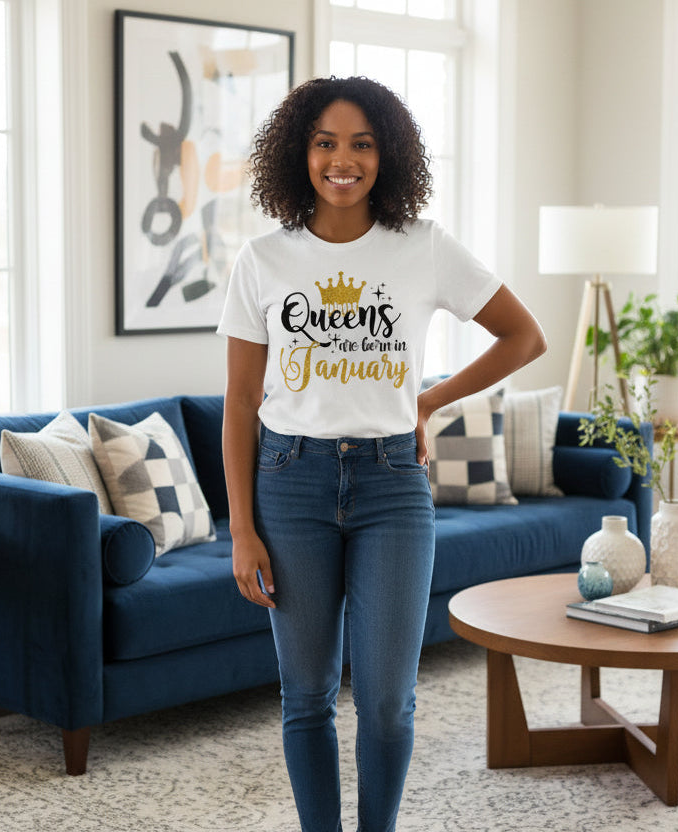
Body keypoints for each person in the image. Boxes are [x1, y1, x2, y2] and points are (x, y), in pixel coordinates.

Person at [217, 76, 546, 832]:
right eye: (326, 142)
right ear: (299, 152)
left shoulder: (423, 247)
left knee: (389, 702)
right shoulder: (263, 261)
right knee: (305, 695)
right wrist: (241, 528)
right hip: (288, 483)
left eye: (362, 144)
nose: (343, 160)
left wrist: (428, 400)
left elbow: (524, 336)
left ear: (386, 154)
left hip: (393, 484)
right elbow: (240, 402)